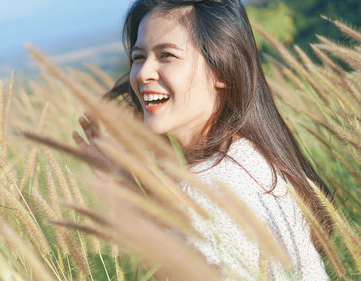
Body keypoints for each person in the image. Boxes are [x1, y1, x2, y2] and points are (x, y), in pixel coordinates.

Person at [73, 0, 332, 280]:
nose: (143, 73)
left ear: (221, 68)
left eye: (167, 55)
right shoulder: (244, 158)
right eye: (138, 57)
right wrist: (123, 177)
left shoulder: (215, 186)